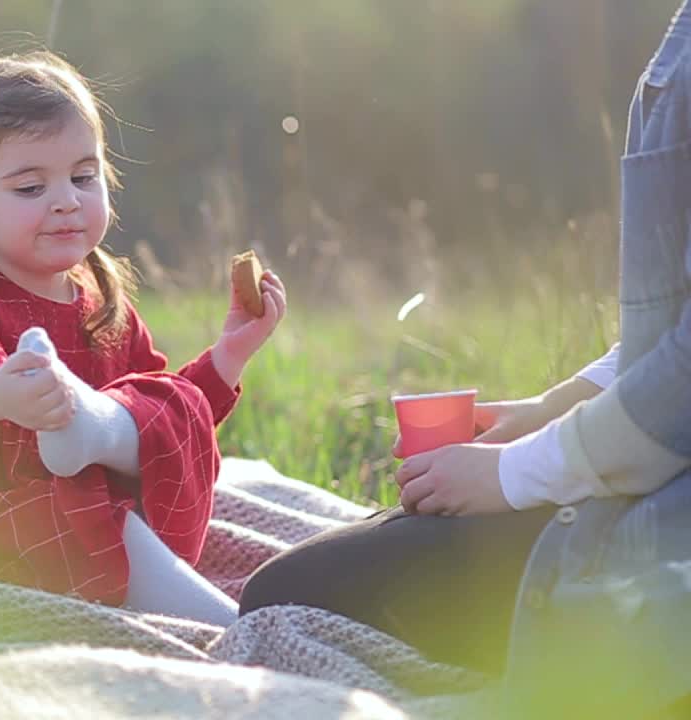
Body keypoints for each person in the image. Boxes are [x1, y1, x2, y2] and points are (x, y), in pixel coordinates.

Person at [239, 2, 691, 716]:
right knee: (308, 576)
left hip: (665, 539)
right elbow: (675, 327)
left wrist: (516, 473)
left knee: (283, 599)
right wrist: (553, 407)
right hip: (644, 476)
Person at [0, 52, 287, 627]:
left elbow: (156, 417)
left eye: (83, 177)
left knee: (161, 405)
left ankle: (88, 429)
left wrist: (230, 354)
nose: (66, 199)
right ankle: (223, 624)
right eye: (29, 187)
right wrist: (3, 389)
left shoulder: (97, 300)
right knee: (86, 507)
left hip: (85, 507)